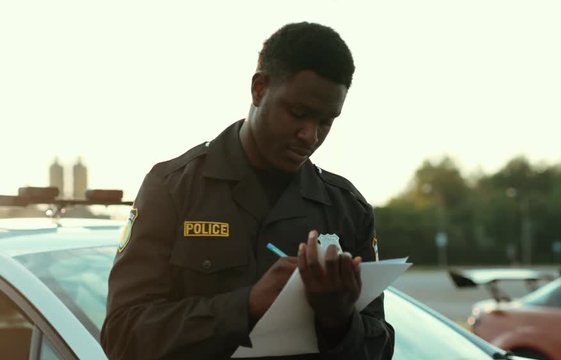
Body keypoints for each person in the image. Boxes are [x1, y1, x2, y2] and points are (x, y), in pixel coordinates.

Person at [101, 22, 394, 360]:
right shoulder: (173, 188)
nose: (310, 135)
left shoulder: (346, 208)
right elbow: (122, 337)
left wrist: (338, 319)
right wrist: (249, 304)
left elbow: (379, 349)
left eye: (326, 122)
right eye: (298, 113)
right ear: (258, 89)